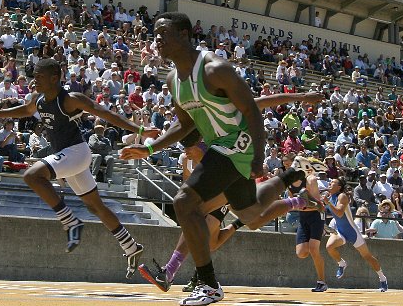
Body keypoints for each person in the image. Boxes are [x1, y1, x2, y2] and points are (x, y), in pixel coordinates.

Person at [120, 13, 325, 306]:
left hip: (236, 145)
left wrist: (256, 155)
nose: (157, 39)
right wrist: (151, 148)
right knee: (251, 215)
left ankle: (207, 282)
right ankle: (290, 180)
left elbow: (253, 110)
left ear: (184, 34)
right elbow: (183, 123)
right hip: (221, 148)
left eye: (164, 33)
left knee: (184, 202)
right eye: (155, 33)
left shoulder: (215, 69)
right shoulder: (173, 80)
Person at [0, 58, 158, 278]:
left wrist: (140, 129)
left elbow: (106, 114)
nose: (35, 80)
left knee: (33, 176)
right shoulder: (39, 99)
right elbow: (25, 110)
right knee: (95, 206)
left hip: (77, 153)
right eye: (34, 75)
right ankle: (131, 246)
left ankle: (70, 221)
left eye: (39, 76)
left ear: (54, 78)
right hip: (68, 159)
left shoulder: (70, 99)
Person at [137, 91, 325, 294]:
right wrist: (148, 142)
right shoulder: (196, 118)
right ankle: (297, 198)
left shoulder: (224, 109)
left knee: (198, 213)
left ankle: (174, 273)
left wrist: (303, 96)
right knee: (252, 219)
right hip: (227, 168)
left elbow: (265, 101)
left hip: (235, 165)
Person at [323, 177, 388, 292]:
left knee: (368, 256)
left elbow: (339, 212)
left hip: (353, 232)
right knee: (329, 247)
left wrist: (327, 203)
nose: (330, 183)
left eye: (333, 182)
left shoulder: (342, 196)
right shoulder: (330, 197)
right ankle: (342, 263)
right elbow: (330, 212)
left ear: (339, 187)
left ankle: (382, 278)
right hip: (341, 231)